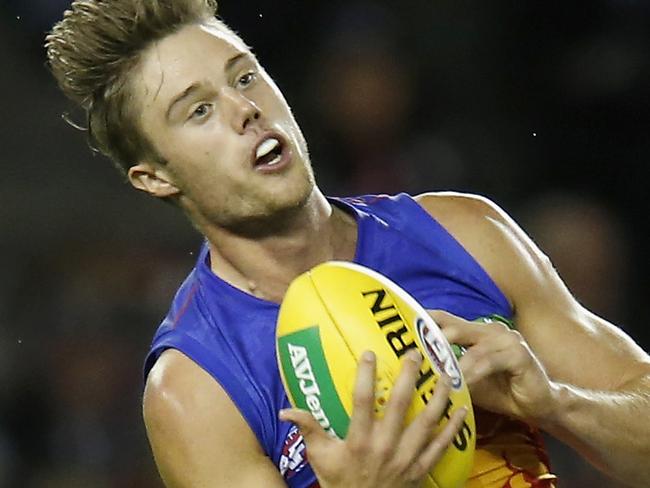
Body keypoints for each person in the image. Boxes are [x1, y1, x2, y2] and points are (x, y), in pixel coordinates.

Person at [45, 1, 650, 487]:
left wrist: (557, 403)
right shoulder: (196, 388)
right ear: (157, 177)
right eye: (199, 110)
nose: (245, 110)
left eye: (245, 76)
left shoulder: (463, 232)